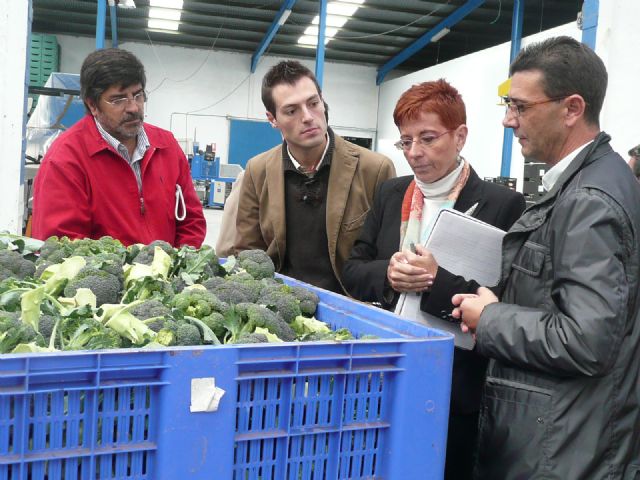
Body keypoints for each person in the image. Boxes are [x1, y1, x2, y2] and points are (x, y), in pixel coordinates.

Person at [452, 36, 640, 479]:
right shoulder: (587, 183)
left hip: (565, 451)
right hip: (566, 434)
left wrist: (491, 318)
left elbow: (587, 339)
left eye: (520, 107)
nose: (507, 120)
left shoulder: (589, 200)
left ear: (572, 109)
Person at [342, 79, 525, 480]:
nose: (414, 153)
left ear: (460, 136)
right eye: (405, 142)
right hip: (385, 371)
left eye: (427, 138)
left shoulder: (502, 205)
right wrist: (390, 273)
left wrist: (434, 281)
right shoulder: (392, 194)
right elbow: (353, 269)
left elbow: (504, 300)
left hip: (455, 385)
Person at [234, 60, 396, 293]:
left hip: (351, 305)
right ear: (272, 119)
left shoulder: (375, 169)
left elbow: (387, 260)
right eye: (292, 111)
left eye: (313, 103)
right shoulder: (257, 170)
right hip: (282, 304)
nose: (308, 117)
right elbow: (247, 251)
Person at [32, 48, 206, 247]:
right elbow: (63, 244)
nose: (133, 108)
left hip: (165, 275)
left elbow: (191, 221)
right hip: (109, 276)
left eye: (138, 95)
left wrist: (177, 266)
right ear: (93, 106)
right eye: (118, 99)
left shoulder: (166, 146)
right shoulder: (65, 159)